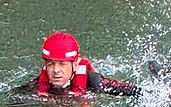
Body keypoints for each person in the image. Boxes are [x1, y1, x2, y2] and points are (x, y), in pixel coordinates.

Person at [13, 31, 142, 97]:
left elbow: (134, 91)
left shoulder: (94, 81)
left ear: (74, 65)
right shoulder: (38, 83)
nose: (56, 70)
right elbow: (13, 96)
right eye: (51, 64)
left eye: (62, 64)